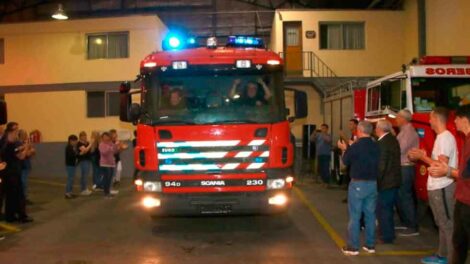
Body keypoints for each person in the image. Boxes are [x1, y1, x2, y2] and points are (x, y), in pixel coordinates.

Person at [409, 107, 457, 264]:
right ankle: (442, 254)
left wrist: (423, 157)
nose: (429, 121)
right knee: (441, 223)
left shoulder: (444, 138)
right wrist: (423, 156)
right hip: (437, 187)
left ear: (436, 119)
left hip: (442, 187)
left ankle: (451, 258)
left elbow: (441, 166)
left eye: (430, 118)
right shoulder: (441, 137)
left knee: (447, 224)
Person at [428, 104, 470, 264]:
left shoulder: (448, 137)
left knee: (450, 227)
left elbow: (465, 172)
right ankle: (445, 255)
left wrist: (447, 171)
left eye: (457, 119)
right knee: (458, 239)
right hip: (462, 196)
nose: (455, 123)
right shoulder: (465, 139)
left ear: (464, 119)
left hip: (463, 196)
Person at [338, 121, 380, 256]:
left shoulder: (356, 146)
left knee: (355, 216)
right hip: (373, 183)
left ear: (359, 131)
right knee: (370, 215)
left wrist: (344, 149)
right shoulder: (376, 145)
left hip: (358, 184)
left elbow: (344, 163)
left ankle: (353, 247)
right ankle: (370, 244)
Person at [375, 120, 401, 244]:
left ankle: (386, 236)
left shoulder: (383, 143)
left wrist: (377, 182)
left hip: (386, 181)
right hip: (393, 180)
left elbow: (382, 165)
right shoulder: (392, 139)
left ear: (379, 129)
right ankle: (389, 233)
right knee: (388, 209)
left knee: (383, 209)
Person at [395, 109, 420, 236]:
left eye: (398, 117)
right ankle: (406, 222)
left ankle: (412, 225)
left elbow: (400, 149)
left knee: (405, 196)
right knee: (401, 195)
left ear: (404, 119)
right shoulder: (404, 131)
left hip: (405, 167)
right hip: (402, 167)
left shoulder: (408, 132)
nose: (396, 119)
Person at [1, 128, 33, 223]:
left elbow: (16, 151)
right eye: (15, 133)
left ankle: (10, 216)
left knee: (10, 197)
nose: (16, 136)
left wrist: (22, 148)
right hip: (13, 174)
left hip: (7, 174)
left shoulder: (6, 145)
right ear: (10, 134)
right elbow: (21, 156)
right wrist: (26, 147)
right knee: (19, 196)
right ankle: (22, 216)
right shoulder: (10, 145)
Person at [99, 132, 120, 198]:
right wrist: (110, 147)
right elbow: (104, 152)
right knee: (106, 179)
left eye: (107, 136)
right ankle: (106, 194)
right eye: (104, 137)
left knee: (110, 179)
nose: (106, 138)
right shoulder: (101, 144)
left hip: (111, 164)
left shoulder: (110, 143)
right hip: (105, 164)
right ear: (102, 138)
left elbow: (115, 151)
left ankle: (108, 192)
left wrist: (116, 145)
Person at [18, 130, 35, 204]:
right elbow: (26, 154)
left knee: (24, 182)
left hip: (26, 165)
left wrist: (29, 150)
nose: (26, 135)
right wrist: (28, 150)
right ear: (20, 135)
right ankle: (22, 198)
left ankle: (24, 197)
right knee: (22, 183)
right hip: (21, 166)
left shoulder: (26, 143)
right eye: (24, 134)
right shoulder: (18, 144)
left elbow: (33, 152)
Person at [77, 131, 92, 196]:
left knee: (86, 175)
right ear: (80, 137)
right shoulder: (79, 143)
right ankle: (83, 189)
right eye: (83, 136)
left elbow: (90, 151)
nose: (85, 137)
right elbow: (85, 151)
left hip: (88, 160)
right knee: (84, 175)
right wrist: (90, 144)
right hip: (83, 160)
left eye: (85, 135)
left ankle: (85, 188)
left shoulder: (87, 143)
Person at [65, 135, 79, 199]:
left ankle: (70, 192)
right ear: (71, 141)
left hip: (72, 165)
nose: (76, 142)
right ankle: (67, 193)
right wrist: (76, 154)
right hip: (70, 165)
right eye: (75, 141)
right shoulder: (69, 147)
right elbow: (71, 156)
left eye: (76, 141)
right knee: (70, 179)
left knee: (71, 179)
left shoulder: (73, 147)